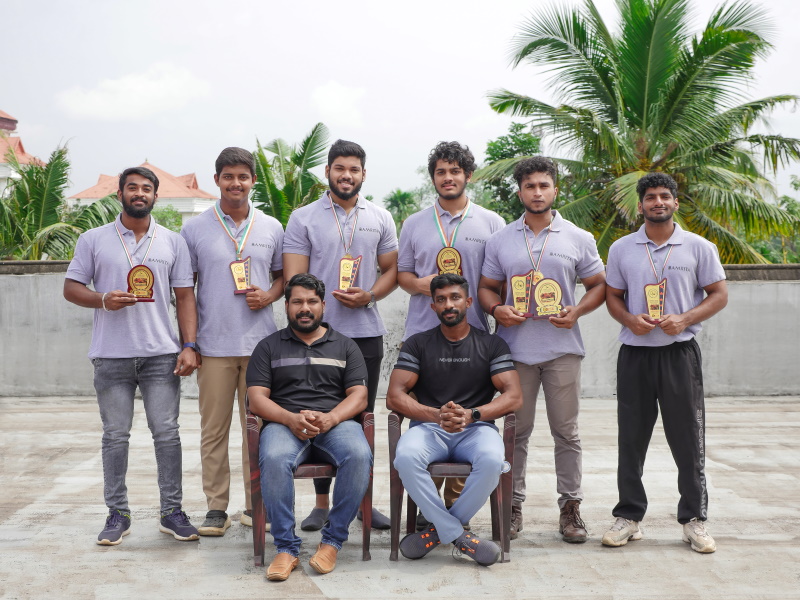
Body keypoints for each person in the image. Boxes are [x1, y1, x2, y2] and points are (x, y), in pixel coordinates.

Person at [64, 166, 200, 545]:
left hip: (161, 356)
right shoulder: (94, 239)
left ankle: (172, 512)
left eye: (146, 189)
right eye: (132, 188)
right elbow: (71, 288)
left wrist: (189, 345)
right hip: (111, 356)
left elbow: (185, 297)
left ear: (156, 196)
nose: (139, 193)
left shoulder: (172, 241)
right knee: (115, 436)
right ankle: (117, 514)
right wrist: (102, 299)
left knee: (167, 434)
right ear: (120, 194)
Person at [478, 157, 606, 542]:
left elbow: (599, 285)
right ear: (519, 192)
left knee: (566, 432)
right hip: (514, 352)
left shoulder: (579, 237)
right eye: (530, 186)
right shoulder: (501, 239)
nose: (537, 192)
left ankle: (570, 508)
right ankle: (512, 506)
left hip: (562, 349)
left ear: (555, 190)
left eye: (543, 185)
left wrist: (577, 311)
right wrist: (497, 309)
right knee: (516, 433)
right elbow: (486, 288)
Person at [601, 172, 728, 553]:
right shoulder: (622, 248)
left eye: (664, 196)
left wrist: (685, 319)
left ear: (675, 202)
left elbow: (719, 294)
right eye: (650, 197)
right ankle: (629, 517)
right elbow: (612, 296)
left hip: (679, 353)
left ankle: (694, 521)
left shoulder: (699, 247)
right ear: (640, 205)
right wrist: (629, 320)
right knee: (631, 438)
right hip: (635, 354)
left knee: (688, 438)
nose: (658, 202)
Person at [282, 139, 397, 531]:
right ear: (327, 171)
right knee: (318, 412)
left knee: (363, 418)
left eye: (354, 169)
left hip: (365, 334)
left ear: (363, 174)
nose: (346, 175)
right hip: (316, 336)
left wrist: (370, 295)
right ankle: (320, 504)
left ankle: (364, 501)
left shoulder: (380, 217)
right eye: (339, 168)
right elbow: (295, 279)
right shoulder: (303, 218)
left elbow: (392, 269)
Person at [397, 141, 505, 525]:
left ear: (468, 176)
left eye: (455, 171)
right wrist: (426, 285)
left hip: (473, 336)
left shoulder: (491, 222)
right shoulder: (413, 223)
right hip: (423, 335)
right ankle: (431, 511)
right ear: (433, 178)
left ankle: (452, 510)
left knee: (468, 418)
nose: (448, 177)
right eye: (441, 172)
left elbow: (496, 280)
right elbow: (402, 276)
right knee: (427, 421)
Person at [180, 147, 284, 536]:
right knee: (214, 431)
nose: (235, 183)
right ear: (217, 180)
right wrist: (190, 343)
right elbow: (185, 292)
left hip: (261, 348)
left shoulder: (272, 226)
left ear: (253, 180)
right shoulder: (194, 229)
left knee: (257, 429)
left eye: (242, 176)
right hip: (213, 347)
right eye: (228, 176)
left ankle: (256, 504)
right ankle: (215, 508)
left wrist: (269, 296)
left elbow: (283, 278)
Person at [387, 274, 522, 566]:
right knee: (405, 457)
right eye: (441, 299)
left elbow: (514, 396)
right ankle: (458, 535)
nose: (448, 304)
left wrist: (473, 414)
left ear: (468, 302)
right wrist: (436, 415)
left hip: (476, 428)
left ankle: (438, 532)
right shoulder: (417, 344)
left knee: (492, 460)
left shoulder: (492, 344)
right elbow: (394, 396)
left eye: (455, 297)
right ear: (433, 306)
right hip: (429, 428)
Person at [246, 274, 372, 580]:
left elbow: (359, 395)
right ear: (287, 306)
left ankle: (332, 542)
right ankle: (286, 548)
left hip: (335, 424)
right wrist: (290, 418)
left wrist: (332, 418)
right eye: (298, 302)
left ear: (323, 305)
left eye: (312, 301)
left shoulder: (345, 346)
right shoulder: (268, 347)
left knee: (358, 454)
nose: (305, 308)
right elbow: (256, 399)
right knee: (274, 457)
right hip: (284, 424)